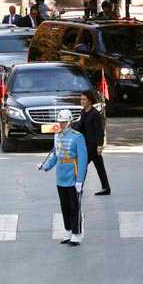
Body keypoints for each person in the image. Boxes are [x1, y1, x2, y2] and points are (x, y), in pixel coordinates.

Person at [40, 109, 88, 246]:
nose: (61, 124)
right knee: (64, 206)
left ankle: (76, 234)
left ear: (69, 122)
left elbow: (83, 160)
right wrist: (45, 166)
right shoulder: (58, 136)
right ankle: (68, 231)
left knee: (74, 206)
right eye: (60, 121)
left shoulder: (77, 137)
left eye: (63, 122)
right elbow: (56, 155)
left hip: (73, 175)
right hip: (60, 176)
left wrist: (80, 180)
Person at [74, 90, 110, 195]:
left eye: (84, 99)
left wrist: (100, 145)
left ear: (90, 101)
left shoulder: (95, 114)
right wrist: (70, 129)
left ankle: (79, 187)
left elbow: (100, 130)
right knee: (99, 167)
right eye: (81, 99)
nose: (82, 101)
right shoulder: (83, 112)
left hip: (93, 145)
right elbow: (80, 126)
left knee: (82, 165)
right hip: (86, 143)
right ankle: (106, 188)